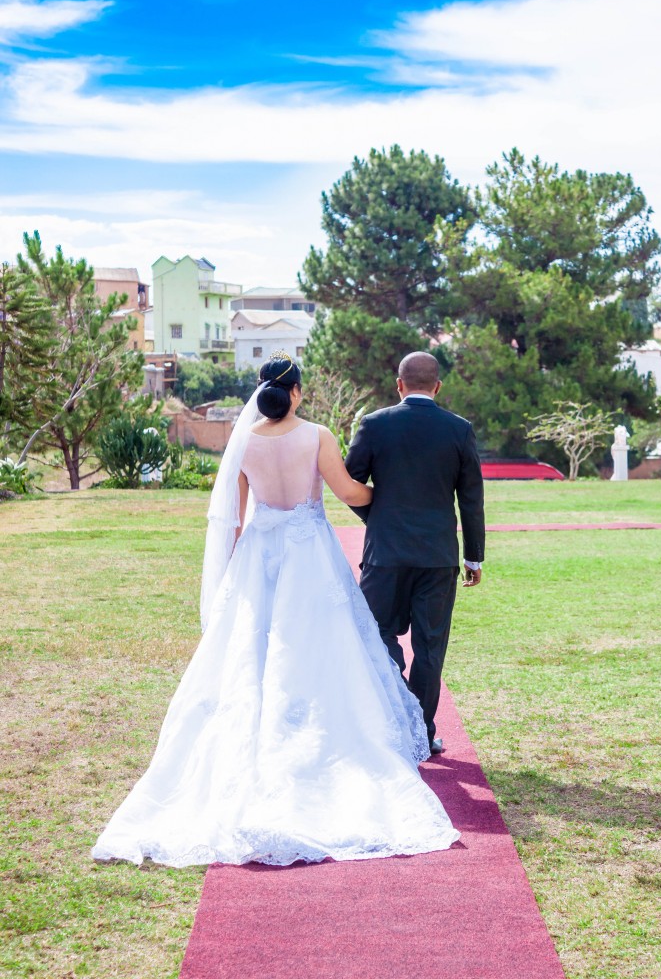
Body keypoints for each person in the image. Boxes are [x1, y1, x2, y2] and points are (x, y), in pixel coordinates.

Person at [92, 353, 459, 867]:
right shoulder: (316, 436)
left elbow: (237, 518)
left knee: (254, 646)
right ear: (297, 393)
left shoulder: (242, 441)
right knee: (320, 644)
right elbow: (350, 491)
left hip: (262, 552)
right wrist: (396, 498)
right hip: (309, 550)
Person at [345, 351, 485, 756]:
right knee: (430, 646)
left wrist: (378, 517)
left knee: (376, 635)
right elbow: (471, 498)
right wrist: (473, 556)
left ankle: (393, 717)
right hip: (438, 557)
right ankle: (419, 731)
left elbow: (350, 483)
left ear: (399, 384)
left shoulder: (374, 425)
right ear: (437, 386)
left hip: (385, 555)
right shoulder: (458, 429)